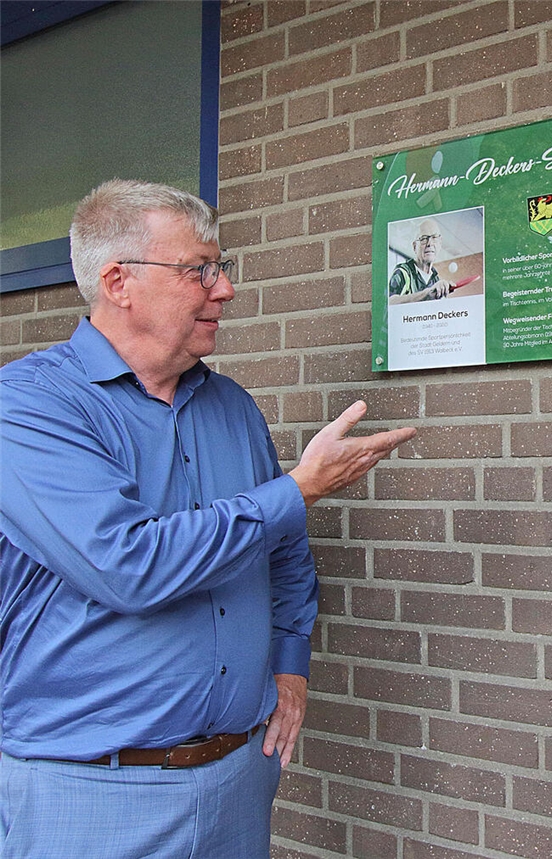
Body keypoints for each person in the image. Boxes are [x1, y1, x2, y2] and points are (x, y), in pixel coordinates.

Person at [0, 179, 416, 858]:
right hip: (88, 792)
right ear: (119, 281)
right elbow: (127, 563)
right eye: (200, 269)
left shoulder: (232, 406)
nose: (223, 289)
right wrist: (298, 488)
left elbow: (284, 553)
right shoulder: (28, 406)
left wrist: (289, 659)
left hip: (237, 779)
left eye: (220, 268)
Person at [388, 218, 454, 304]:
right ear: (415, 246)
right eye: (424, 238)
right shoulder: (403, 271)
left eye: (434, 237)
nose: (430, 243)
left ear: (440, 244)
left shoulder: (436, 279)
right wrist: (426, 294)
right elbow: (389, 302)